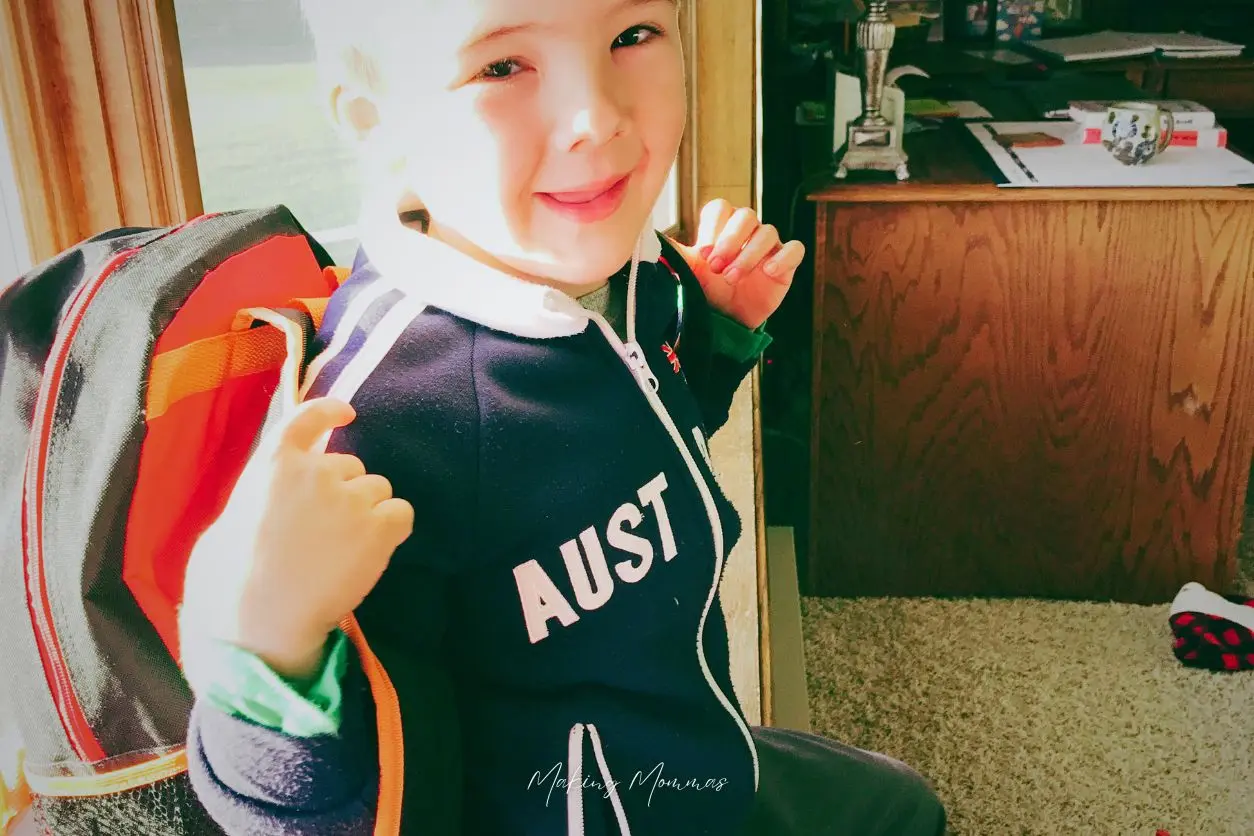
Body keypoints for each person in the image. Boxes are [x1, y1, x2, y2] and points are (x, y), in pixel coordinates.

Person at [177, 0, 948, 833]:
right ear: (376, 120)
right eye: (502, 67)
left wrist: (716, 342)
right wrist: (268, 649)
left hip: (686, 758)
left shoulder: (634, 274)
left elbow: (629, 461)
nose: (597, 120)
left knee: (900, 803)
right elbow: (320, 812)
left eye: (632, 36)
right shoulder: (377, 423)